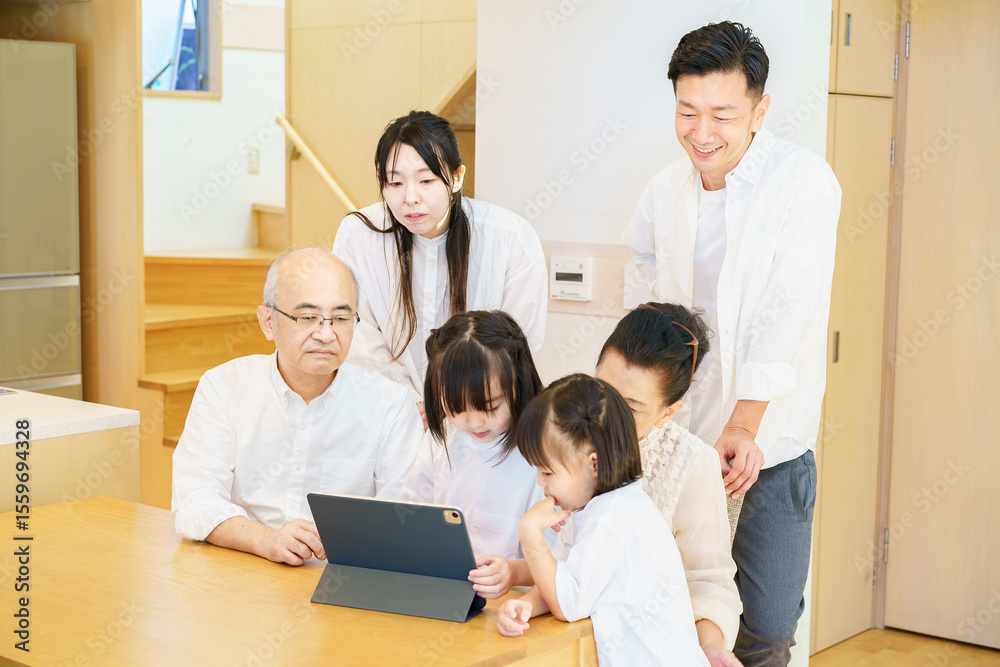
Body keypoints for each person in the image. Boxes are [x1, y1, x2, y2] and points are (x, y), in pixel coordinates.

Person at [621, 21, 842, 666]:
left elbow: (787, 311)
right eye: (687, 112)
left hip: (767, 445)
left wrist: (745, 423)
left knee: (767, 625)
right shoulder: (665, 189)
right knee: (673, 610)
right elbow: (643, 297)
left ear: (760, 110)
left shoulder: (803, 182)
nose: (702, 132)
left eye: (722, 115)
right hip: (680, 441)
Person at [171, 248, 423, 566]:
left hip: (340, 576)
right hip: (243, 565)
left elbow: (403, 515)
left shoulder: (391, 404)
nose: (326, 334)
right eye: (307, 318)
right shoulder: (223, 387)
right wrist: (265, 539)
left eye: (341, 319)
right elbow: (194, 500)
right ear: (268, 321)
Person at [333, 110, 548, 421]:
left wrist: (451, 405)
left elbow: (519, 341)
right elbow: (355, 330)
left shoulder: (510, 237)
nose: (410, 198)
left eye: (426, 180)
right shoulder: (358, 233)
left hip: (477, 417)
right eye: (395, 182)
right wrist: (405, 403)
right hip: (384, 410)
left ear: (456, 177)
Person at [497, 374, 709, 667]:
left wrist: (530, 533)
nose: (540, 482)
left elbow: (567, 604)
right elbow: (559, 578)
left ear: (593, 464)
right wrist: (525, 605)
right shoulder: (597, 507)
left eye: (547, 472)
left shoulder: (612, 516)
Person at [595, 302, 742, 666]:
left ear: (668, 411)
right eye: (601, 390)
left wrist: (710, 646)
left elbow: (708, 579)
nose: (605, 414)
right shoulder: (557, 425)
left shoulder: (690, 462)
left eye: (631, 408)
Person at [399, 310, 544, 598]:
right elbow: (411, 512)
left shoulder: (541, 454)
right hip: (442, 589)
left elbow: (558, 558)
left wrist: (512, 572)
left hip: (513, 600)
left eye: (490, 406)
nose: (475, 423)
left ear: (519, 385)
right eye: (456, 408)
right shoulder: (443, 437)